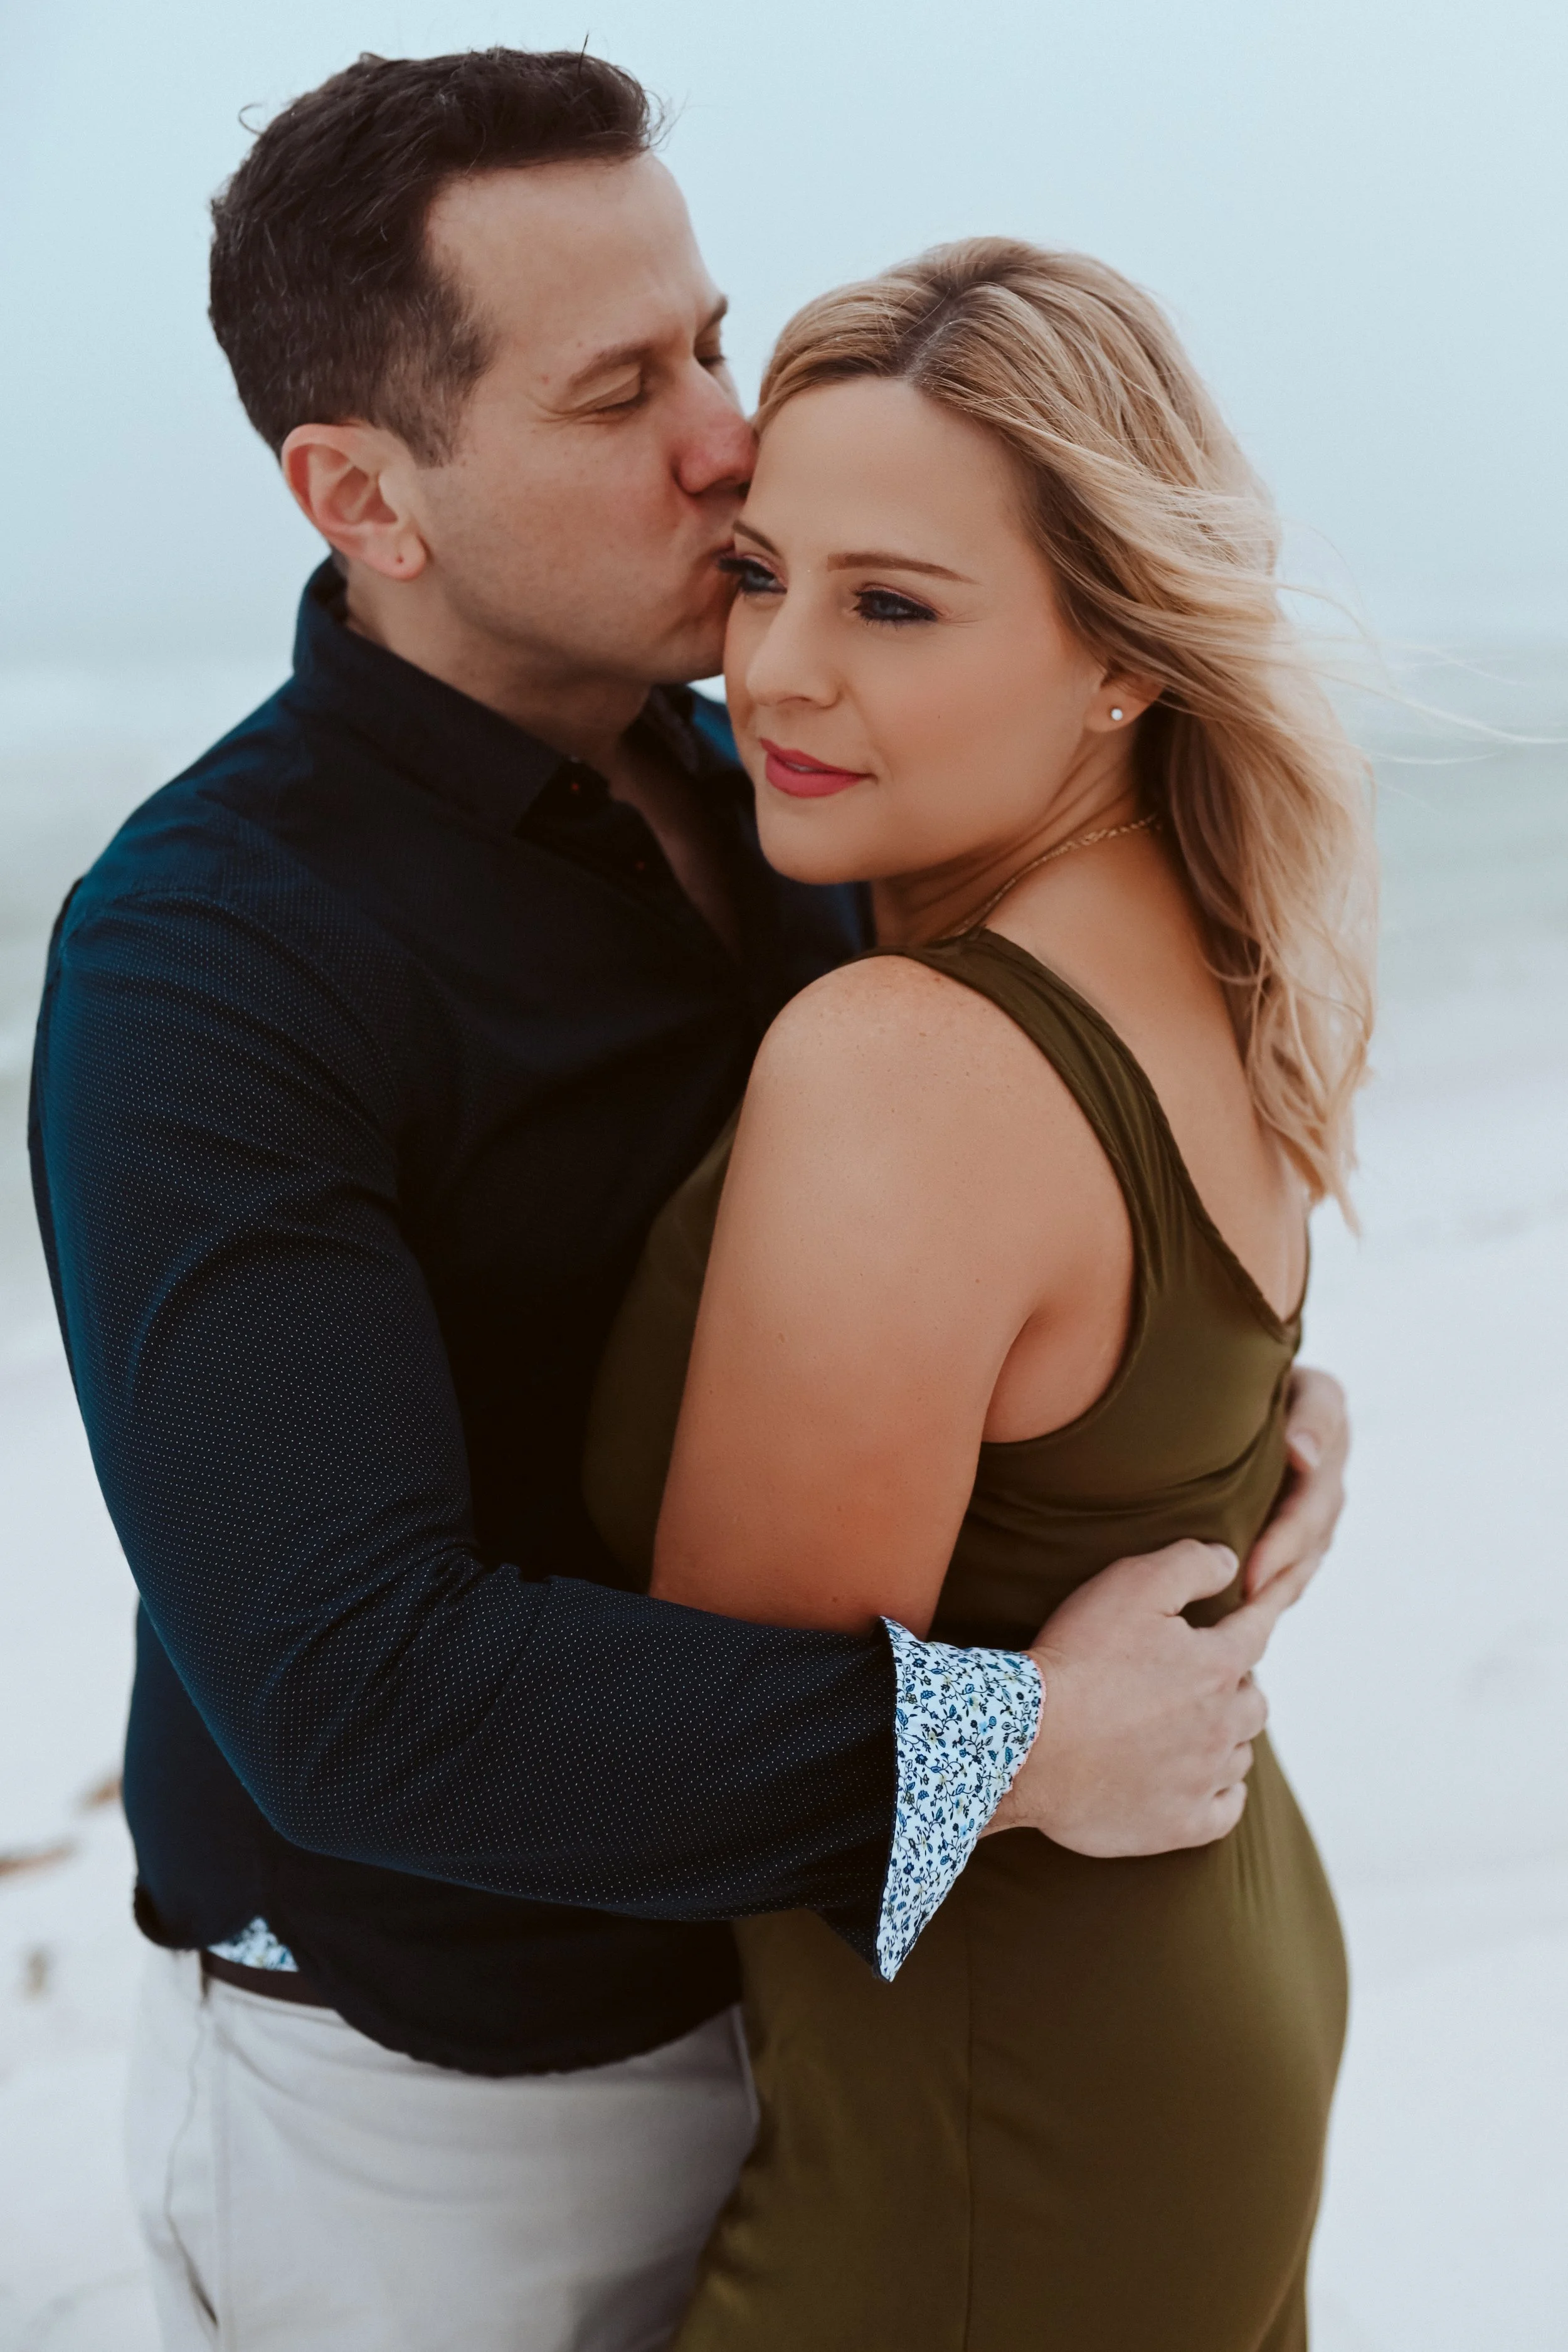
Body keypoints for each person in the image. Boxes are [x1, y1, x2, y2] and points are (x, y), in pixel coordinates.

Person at [26, 49, 1348, 2352]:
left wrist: (1219, 1425)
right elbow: (352, 1690)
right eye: (620, 386)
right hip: (459, 2107)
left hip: (855, 2008)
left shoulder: (786, 778)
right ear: (365, 492)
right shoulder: (207, 966)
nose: (730, 438)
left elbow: (1019, 1185)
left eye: (714, 341)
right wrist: (1012, 1744)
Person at [583, 239, 1373, 2351]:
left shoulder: (904, 1059)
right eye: (759, 574)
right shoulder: (1219, 955)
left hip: (995, 2119)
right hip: (1187, 2007)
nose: (775, 674)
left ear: (1119, 651)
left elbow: (721, 1758)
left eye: (893, 605)